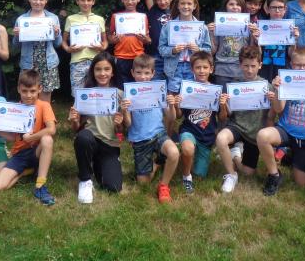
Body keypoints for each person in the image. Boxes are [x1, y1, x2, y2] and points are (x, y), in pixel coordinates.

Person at [256, 48, 305, 196]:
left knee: (301, 183)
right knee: (263, 136)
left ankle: (290, 154)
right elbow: (278, 109)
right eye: (297, 65)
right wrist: (277, 90)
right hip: (285, 130)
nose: (302, 68)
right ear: (291, 64)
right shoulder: (287, 80)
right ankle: (274, 175)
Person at [0, 69, 57, 206]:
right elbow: (11, 137)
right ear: (18, 90)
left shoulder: (44, 106)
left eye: (32, 91)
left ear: (40, 89)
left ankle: (40, 186)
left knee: (47, 139)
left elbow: (51, 129)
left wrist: (31, 138)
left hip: (38, 151)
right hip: (19, 154)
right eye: (24, 91)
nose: (28, 95)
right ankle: (25, 172)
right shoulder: (14, 109)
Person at [121, 54, 180, 203]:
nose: (143, 77)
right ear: (132, 73)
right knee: (143, 183)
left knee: (174, 152)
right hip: (140, 139)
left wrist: (171, 105)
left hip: (158, 134)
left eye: (147, 73)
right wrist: (124, 110)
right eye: (139, 73)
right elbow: (128, 124)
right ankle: (158, 162)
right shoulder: (129, 95)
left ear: (153, 74)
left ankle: (164, 186)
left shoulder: (159, 91)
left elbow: (172, 118)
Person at [215, 46, 274, 193]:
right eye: (246, 66)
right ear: (240, 65)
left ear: (260, 65)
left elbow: (275, 113)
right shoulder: (234, 86)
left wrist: (273, 100)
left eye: (253, 66)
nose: (249, 70)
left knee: (248, 172)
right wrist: (223, 105)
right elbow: (225, 116)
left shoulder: (267, 86)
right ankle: (231, 175)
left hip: (255, 133)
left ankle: (235, 155)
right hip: (237, 127)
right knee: (221, 138)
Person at [69, 52, 125, 203]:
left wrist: (119, 124)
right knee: (83, 137)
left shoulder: (120, 95)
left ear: (113, 72)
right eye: (98, 69)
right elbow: (76, 128)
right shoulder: (84, 94)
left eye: (107, 69)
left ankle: (96, 166)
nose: (102, 73)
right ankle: (85, 180)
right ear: (92, 72)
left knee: (113, 186)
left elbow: (122, 131)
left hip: (110, 144)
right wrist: (74, 120)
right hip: (90, 140)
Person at [169, 51, 228, 194]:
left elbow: (222, 118)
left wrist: (223, 105)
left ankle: (193, 159)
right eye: (198, 67)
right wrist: (177, 104)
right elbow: (178, 116)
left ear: (211, 69)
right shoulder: (187, 89)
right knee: (188, 149)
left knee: (200, 175)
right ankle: (186, 177)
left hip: (207, 135)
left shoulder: (216, 91)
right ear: (192, 69)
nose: (202, 71)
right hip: (189, 129)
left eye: (205, 67)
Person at [13, 0, 63, 102]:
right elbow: (15, 46)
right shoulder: (21, 20)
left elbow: (58, 44)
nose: (38, 2)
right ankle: (29, 120)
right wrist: (16, 36)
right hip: (28, 63)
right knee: (27, 96)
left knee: (45, 98)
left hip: (48, 63)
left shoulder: (53, 18)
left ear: (46, 0)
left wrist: (56, 34)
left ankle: (44, 120)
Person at [157, 0, 212, 94]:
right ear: (177, 5)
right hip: (174, 67)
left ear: (194, 6)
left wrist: (198, 49)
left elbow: (208, 50)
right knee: (173, 97)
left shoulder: (202, 28)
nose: (185, 6)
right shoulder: (168, 27)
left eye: (189, 3)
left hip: (194, 66)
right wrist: (173, 50)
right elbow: (161, 49)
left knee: (191, 96)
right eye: (182, 3)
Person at [142, 0, 185, 80]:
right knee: (157, 88)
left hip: (173, 53)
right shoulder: (153, 9)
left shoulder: (176, 9)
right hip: (155, 55)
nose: (162, 1)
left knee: (173, 88)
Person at [61, 0, 108, 95]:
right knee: (78, 93)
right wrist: (68, 49)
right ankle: (79, 112)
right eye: (82, 0)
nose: (85, 3)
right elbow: (64, 41)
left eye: (88, 0)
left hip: (96, 60)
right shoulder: (71, 19)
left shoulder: (99, 19)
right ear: (77, 1)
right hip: (77, 61)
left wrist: (102, 47)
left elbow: (105, 41)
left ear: (93, 1)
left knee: (97, 92)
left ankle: (97, 112)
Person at [207, 0, 258, 86]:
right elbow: (212, 51)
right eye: (231, 4)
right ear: (226, 6)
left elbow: (253, 51)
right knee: (223, 100)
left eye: (238, 4)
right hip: (222, 71)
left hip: (242, 70)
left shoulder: (249, 25)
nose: (235, 7)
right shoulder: (218, 24)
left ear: (242, 7)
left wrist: (255, 36)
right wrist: (210, 33)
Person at [108, 0, 151, 85]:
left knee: (139, 86)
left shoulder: (143, 17)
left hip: (138, 57)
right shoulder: (116, 17)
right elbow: (110, 37)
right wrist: (113, 40)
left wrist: (145, 39)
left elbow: (148, 40)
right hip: (120, 56)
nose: (130, 2)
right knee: (122, 86)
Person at [253, 0, 299, 83]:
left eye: (280, 7)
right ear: (268, 9)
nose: (277, 10)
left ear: (285, 9)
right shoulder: (261, 27)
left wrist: (294, 40)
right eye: (273, 7)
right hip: (265, 68)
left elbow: (291, 55)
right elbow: (258, 54)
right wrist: (257, 41)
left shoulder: (290, 28)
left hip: (283, 69)